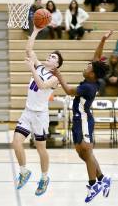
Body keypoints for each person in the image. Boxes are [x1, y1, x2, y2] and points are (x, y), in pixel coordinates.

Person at [52, 31, 112, 203]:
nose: (86, 67)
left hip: (84, 119)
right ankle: (102, 179)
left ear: (92, 74)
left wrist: (59, 76)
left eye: (88, 67)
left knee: (87, 149)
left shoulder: (88, 87)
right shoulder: (91, 79)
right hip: (79, 119)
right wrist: (102, 40)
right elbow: (96, 57)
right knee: (82, 153)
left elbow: (70, 91)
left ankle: (93, 185)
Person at [12, 26, 63, 195]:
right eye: (50, 55)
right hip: (27, 112)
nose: (50, 57)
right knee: (16, 142)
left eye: (53, 57)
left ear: (56, 64)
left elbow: (41, 86)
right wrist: (35, 30)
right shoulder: (40, 66)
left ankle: (44, 177)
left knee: (41, 148)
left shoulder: (54, 79)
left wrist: (31, 68)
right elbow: (28, 49)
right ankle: (24, 172)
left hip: (40, 116)